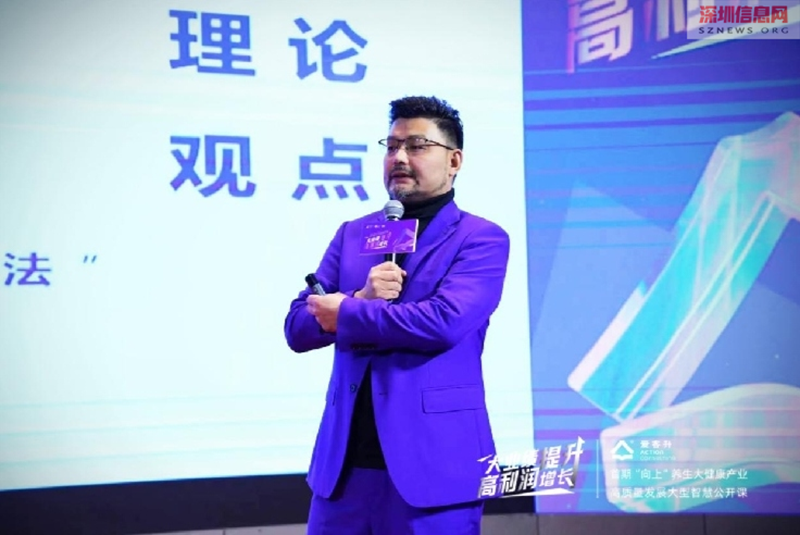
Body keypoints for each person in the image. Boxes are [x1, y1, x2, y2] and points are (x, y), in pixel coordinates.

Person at [284, 95, 510, 534]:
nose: (399, 157)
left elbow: (442, 322)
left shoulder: (480, 238)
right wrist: (359, 296)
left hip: (436, 468)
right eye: (391, 146)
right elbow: (298, 326)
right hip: (344, 471)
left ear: (454, 160)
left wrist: (348, 311)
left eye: (417, 145)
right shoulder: (354, 234)